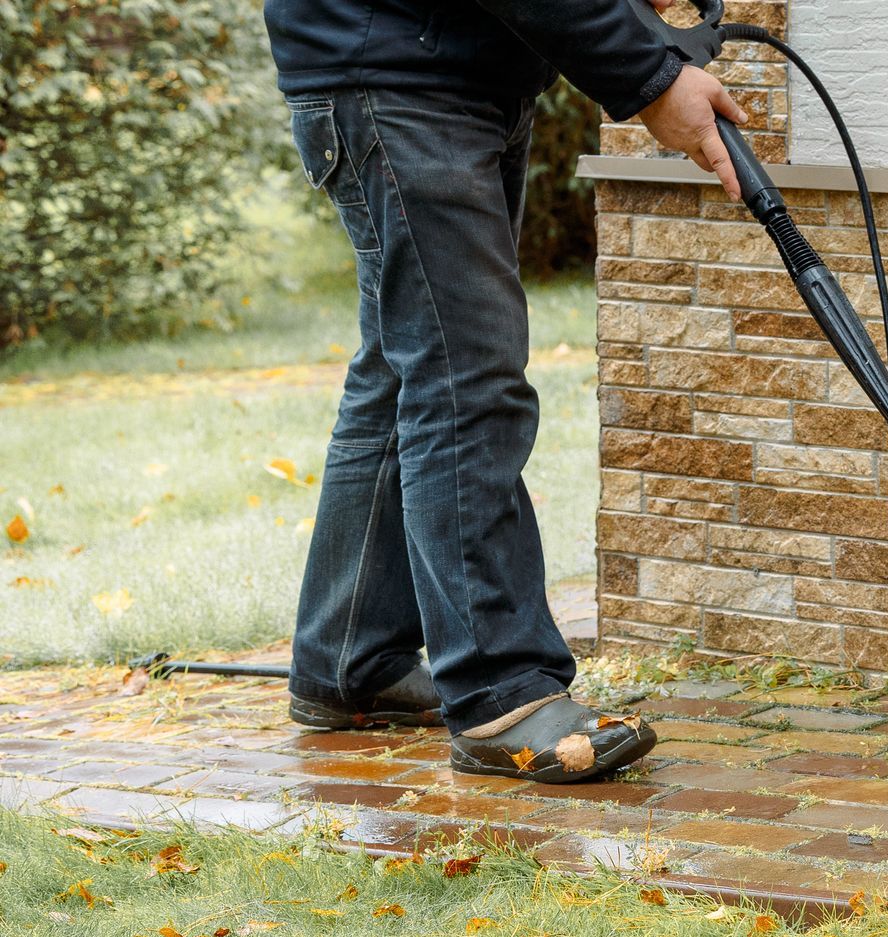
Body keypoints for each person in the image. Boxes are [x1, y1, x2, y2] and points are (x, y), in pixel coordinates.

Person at [261, 0, 744, 783]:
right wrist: (649, 77)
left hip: (435, 66)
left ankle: (349, 659)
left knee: (405, 369)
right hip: (400, 78)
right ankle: (501, 695)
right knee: (465, 378)